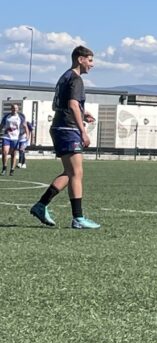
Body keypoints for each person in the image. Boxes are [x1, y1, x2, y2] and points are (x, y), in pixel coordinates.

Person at [30, 46, 100, 229]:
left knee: (70, 173)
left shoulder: (65, 76)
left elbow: (62, 105)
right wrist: (83, 131)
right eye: (90, 60)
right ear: (80, 59)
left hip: (60, 127)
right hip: (68, 129)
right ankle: (78, 218)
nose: (92, 64)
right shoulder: (76, 79)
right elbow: (73, 105)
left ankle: (41, 206)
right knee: (76, 173)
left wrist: (83, 113)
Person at [1, 103, 25, 176]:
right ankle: (4, 168)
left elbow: (25, 127)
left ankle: (12, 170)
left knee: (13, 154)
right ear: (11, 109)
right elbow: (1, 125)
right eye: (13, 108)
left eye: (16, 108)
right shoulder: (6, 116)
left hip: (15, 138)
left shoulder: (20, 117)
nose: (14, 109)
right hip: (6, 137)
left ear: (18, 109)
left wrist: (26, 138)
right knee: (4, 152)